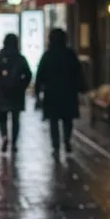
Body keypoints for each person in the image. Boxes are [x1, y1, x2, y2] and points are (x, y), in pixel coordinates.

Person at [35, 28, 86, 157]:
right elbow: (77, 72)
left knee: (53, 120)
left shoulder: (48, 55)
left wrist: (37, 92)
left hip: (51, 93)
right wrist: (82, 88)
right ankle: (67, 141)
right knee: (67, 119)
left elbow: (40, 75)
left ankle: (55, 145)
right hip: (68, 92)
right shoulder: (70, 54)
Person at [0, 33, 32, 155]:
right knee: (16, 119)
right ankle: (14, 143)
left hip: (2, 91)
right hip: (17, 92)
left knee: (2, 117)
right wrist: (23, 86)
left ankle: (5, 136)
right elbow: (28, 74)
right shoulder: (20, 58)